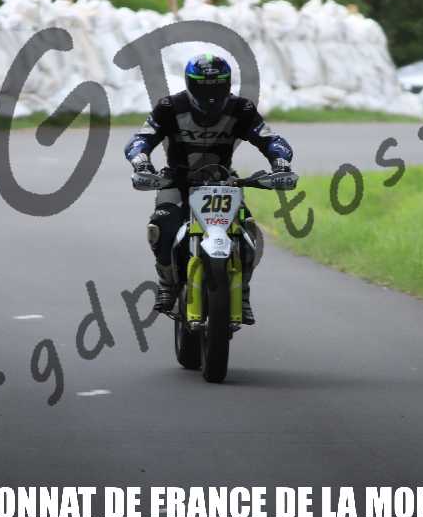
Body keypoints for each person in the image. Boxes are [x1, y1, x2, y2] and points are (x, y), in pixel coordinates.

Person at [124, 53, 295, 324]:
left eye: (217, 87)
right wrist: (142, 163)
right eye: (203, 87)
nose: (211, 95)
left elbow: (271, 140)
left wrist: (280, 163)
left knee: (248, 231)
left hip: (223, 183)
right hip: (176, 182)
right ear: (190, 84)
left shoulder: (242, 109)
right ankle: (167, 283)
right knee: (161, 227)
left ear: (227, 84)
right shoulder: (169, 107)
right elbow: (140, 140)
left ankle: (242, 291)